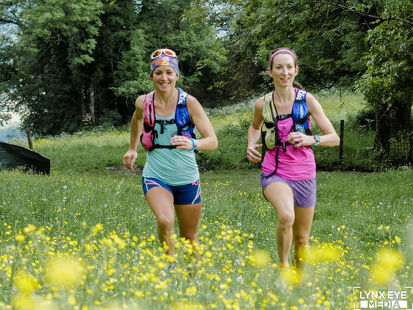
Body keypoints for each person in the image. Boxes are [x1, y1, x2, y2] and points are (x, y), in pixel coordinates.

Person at [246, 47, 339, 270]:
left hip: (305, 173)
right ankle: (283, 268)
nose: (284, 72)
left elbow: (333, 138)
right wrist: (251, 144)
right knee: (286, 216)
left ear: (296, 71)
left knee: (302, 240)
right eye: (279, 67)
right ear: (270, 72)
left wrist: (311, 139)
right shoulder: (262, 103)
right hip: (274, 172)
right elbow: (254, 126)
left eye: (289, 67)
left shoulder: (307, 101)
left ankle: (298, 286)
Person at [123, 48, 218, 264]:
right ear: (151, 76)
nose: (164, 78)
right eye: (158, 73)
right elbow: (136, 120)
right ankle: (170, 268)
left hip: (187, 178)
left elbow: (212, 141)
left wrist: (193, 142)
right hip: (156, 175)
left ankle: (193, 281)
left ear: (176, 75)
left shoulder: (189, 103)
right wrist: (132, 148)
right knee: (165, 220)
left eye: (169, 72)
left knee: (189, 237)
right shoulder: (143, 102)